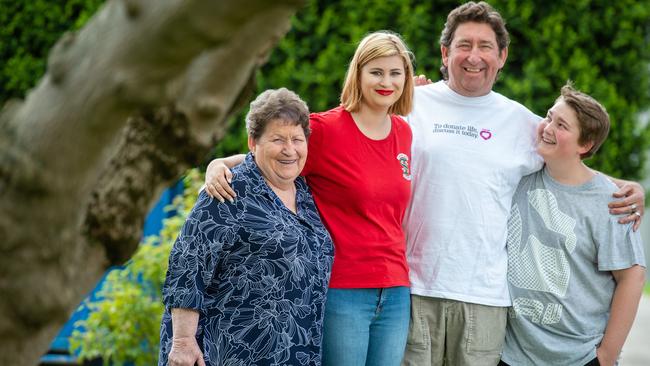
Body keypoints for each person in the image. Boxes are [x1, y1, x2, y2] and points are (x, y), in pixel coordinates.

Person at [401, 2, 645, 366]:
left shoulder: (520, 122)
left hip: (485, 298)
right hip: (414, 289)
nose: (474, 56)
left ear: (502, 56)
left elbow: (569, 156)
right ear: (444, 52)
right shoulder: (410, 104)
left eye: (485, 46)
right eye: (464, 45)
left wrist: (626, 186)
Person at [203, 31, 416, 366]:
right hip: (343, 289)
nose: (386, 81)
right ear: (358, 74)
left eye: (395, 72)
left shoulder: (404, 132)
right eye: (376, 72)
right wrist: (218, 164)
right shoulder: (327, 129)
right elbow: (272, 154)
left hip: (396, 290)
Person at [158, 88, 334, 366]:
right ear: (253, 142)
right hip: (229, 352)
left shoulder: (304, 193)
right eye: (277, 139)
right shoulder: (228, 190)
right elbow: (188, 263)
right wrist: (182, 342)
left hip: (294, 353)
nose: (290, 149)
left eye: (297, 139)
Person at [501, 84, 646, 366]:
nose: (548, 127)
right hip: (513, 356)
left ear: (585, 145)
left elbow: (632, 277)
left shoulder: (610, 201)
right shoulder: (519, 174)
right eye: (549, 116)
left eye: (562, 125)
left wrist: (606, 356)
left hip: (578, 357)